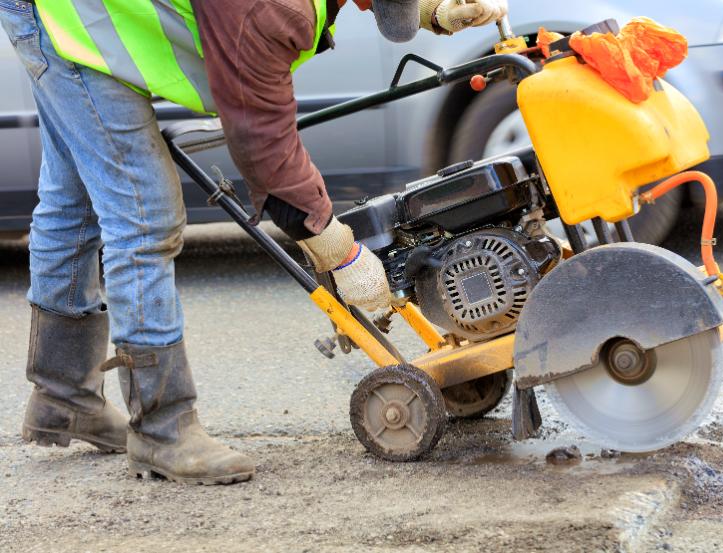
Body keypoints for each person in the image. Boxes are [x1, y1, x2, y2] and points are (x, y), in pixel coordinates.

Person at [1, 0, 508, 485]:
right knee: (144, 214)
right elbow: (263, 145)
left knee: (74, 203)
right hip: (66, 14)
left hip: (64, 10)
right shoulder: (266, 8)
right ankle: (162, 428)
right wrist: (340, 251)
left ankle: (63, 398)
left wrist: (427, 10)